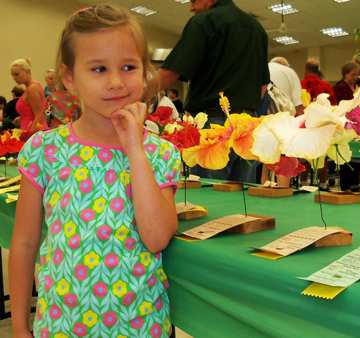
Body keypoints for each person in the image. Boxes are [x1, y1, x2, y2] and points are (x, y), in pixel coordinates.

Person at [9, 5, 180, 338]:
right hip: (61, 325)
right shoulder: (45, 151)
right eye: (99, 68)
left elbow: (157, 237)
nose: (116, 82)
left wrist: (134, 148)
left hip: (142, 326)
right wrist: (19, 326)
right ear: (70, 76)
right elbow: (26, 242)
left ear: (144, 72)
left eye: (129, 67)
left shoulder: (160, 153)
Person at [158, 0, 270, 183]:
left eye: (194, 1)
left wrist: (139, 93)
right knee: (243, 205)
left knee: (211, 198)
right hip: (248, 128)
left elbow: (172, 71)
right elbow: (263, 85)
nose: (191, 7)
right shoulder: (257, 28)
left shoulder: (205, 21)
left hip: (213, 125)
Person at [261, 56, 303, 186]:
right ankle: (283, 192)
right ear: (286, 65)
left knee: (265, 158)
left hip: (260, 120)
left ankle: (264, 190)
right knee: (284, 159)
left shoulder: (262, 67)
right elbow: (298, 105)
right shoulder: (289, 72)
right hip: (283, 121)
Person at [300, 59, 338, 190]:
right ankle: (322, 184)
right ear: (317, 70)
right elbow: (333, 106)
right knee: (322, 156)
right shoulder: (326, 86)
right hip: (322, 125)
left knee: (305, 154)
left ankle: (304, 184)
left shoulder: (300, 85)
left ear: (305, 69)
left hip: (305, 124)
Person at [334, 61, 360, 191]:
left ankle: (355, 183)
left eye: (357, 75)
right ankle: (346, 185)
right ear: (345, 74)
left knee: (357, 153)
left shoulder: (357, 87)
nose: (355, 77)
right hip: (345, 123)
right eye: (353, 74)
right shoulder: (340, 87)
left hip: (357, 123)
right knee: (346, 153)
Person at [10, 58, 48, 132]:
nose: (14, 78)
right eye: (12, 75)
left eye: (17, 74)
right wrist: (22, 117)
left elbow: (39, 116)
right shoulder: (30, 87)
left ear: (26, 71)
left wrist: (29, 137)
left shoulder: (32, 88)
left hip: (34, 133)